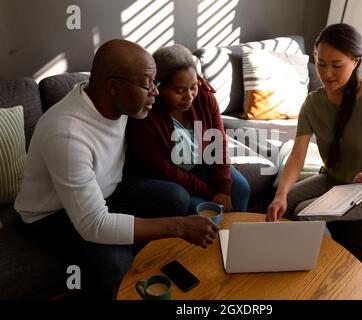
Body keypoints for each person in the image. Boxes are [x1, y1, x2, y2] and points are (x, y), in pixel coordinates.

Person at [14, 39, 218, 299]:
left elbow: (139, 66)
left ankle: (148, 272)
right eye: (148, 85)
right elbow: (93, 224)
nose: (155, 92)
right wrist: (179, 226)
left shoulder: (116, 99)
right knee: (114, 260)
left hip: (109, 188)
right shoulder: (66, 134)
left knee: (176, 197)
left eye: (155, 83)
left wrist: (192, 77)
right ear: (113, 86)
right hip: (53, 213)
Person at [267, 23, 362, 225]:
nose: (327, 73)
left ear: (355, 62)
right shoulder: (313, 103)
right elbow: (297, 156)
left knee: (306, 214)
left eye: (336, 65)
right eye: (321, 64)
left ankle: (326, 257)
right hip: (336, 180)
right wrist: (281, 194)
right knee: (284, 203)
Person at [125, 44, 250, 216]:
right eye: (179, 90)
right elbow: (165, 171)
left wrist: (224, 189)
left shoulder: (204, 97)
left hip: (198, 164)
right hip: (165, 177)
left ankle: (233, 237)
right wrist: (212, 192)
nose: (189, 96)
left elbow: (218, 143)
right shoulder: (145, 115)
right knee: (198, 208)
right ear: (158, 87)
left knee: (240, 188)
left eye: (193, 87)